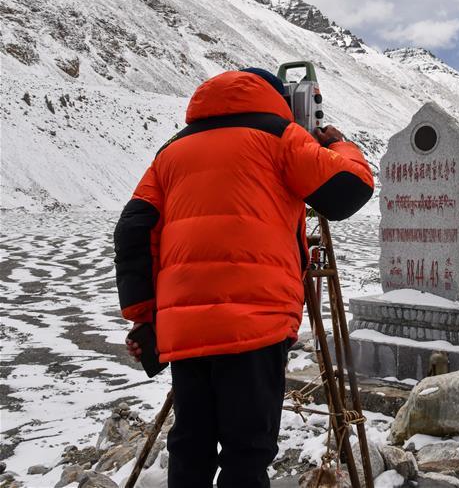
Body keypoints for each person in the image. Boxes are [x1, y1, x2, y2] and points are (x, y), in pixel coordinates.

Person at [113, 68, 373, 487]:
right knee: (247, 451)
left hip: (186, 329)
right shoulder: (281, 136)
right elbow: (348, 191)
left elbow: (134, 228)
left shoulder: (172, 150)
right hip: (255, 323)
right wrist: (337, 145)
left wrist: (145, 317)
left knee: (190, 446)